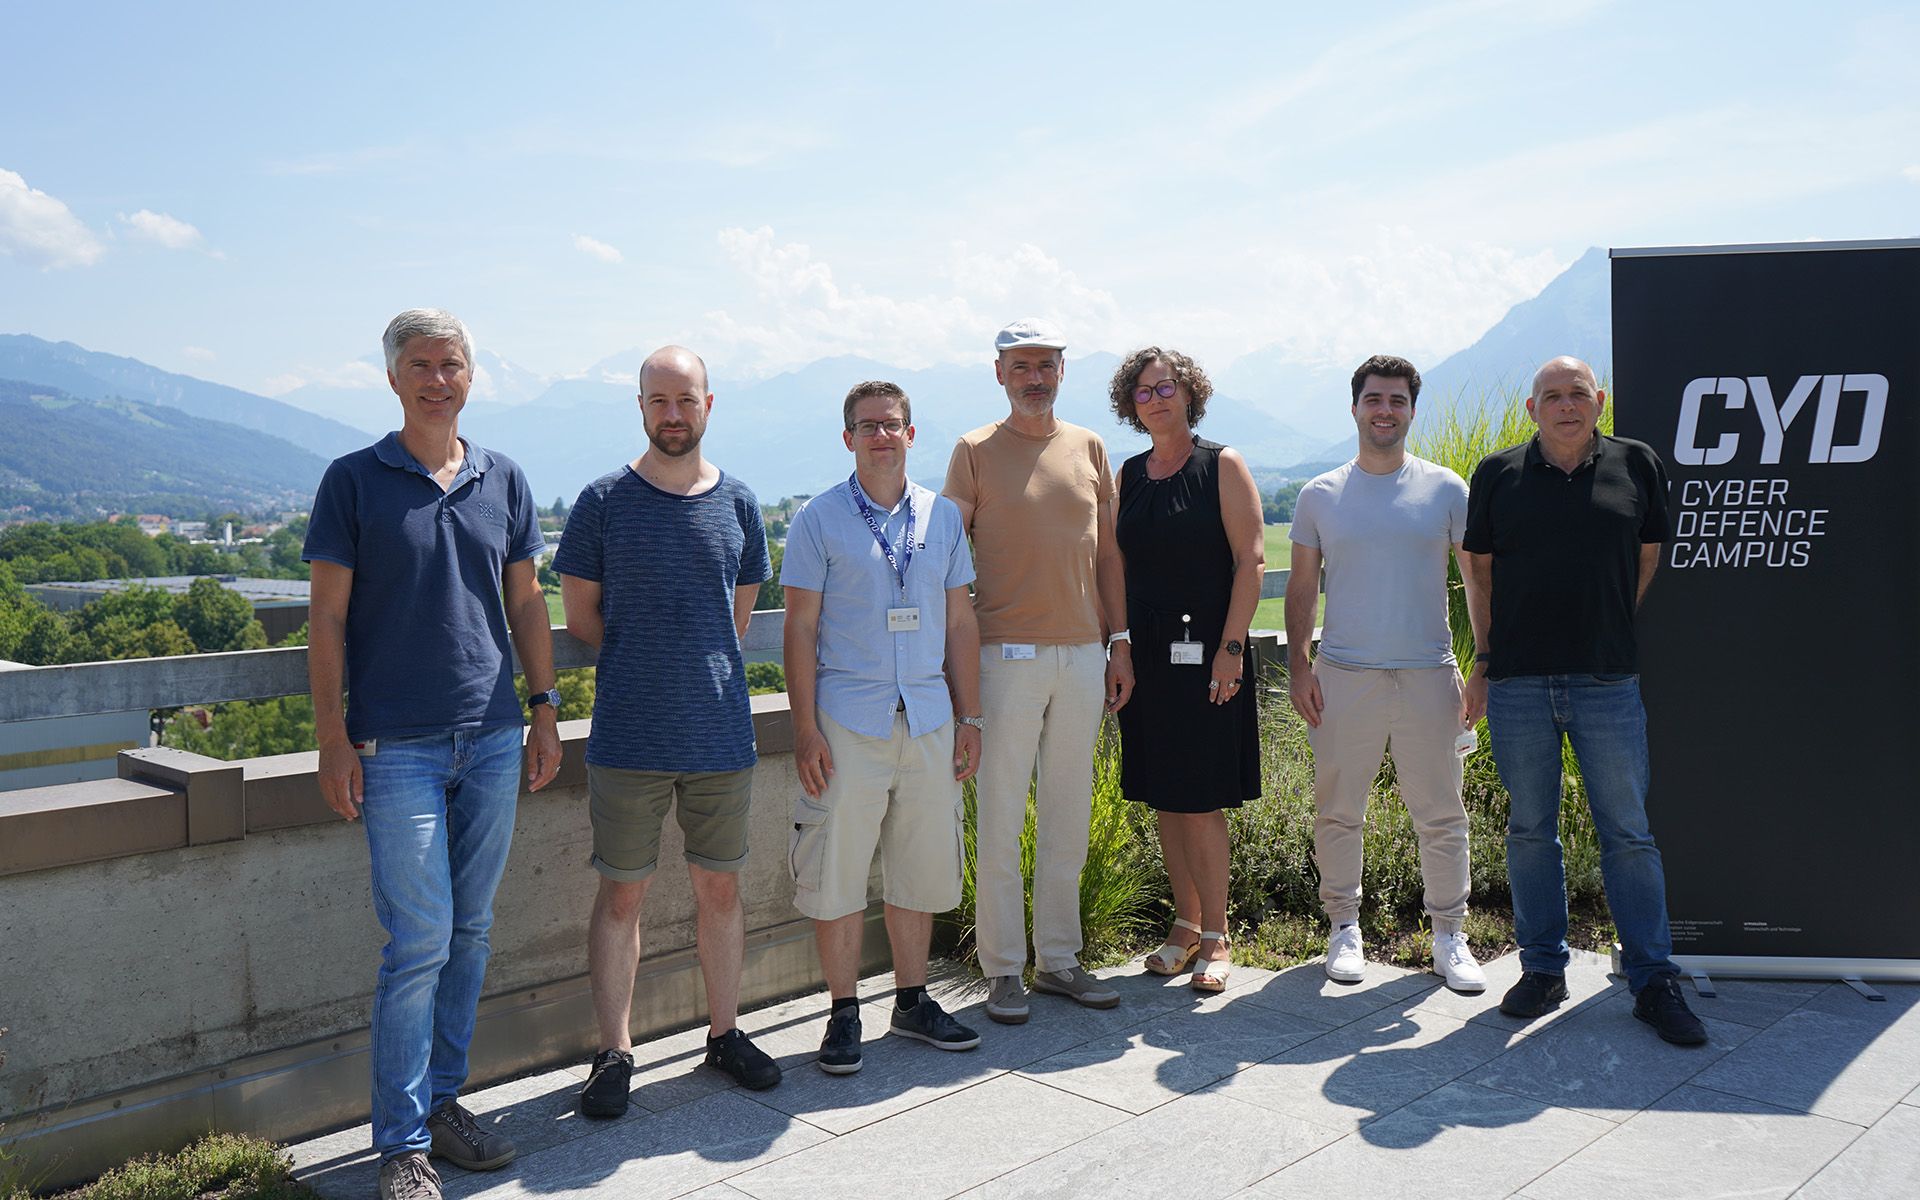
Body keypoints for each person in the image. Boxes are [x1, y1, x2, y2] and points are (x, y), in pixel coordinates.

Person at [305, 308, 562, 1200]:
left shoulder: (504, 477)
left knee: (473, 930)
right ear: (393, 378)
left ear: (469, 376)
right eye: (420, 364)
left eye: (450, 364)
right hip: (394, 748)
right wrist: (332, 738)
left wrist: (544, 709)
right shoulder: (353, 480)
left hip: (493, 734)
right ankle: (402, 1145)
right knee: (419, 939)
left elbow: (527, 604)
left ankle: (445, 1106)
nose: (437, 378)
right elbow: (327, 617)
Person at [555, 345, 781, 1119]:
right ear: (642, 407)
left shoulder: (741, 503)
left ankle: (724, 1034)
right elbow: (580, 619)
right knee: (622, 896)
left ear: (708, 405)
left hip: (719, 733)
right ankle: (614, 1051)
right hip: (628, 735)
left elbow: (739, 612)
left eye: (686, 399)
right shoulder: (602, 501)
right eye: (659, 400)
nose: (673, 414)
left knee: (721, 888)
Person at [1462, 355, 1707, 1045]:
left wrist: (1606, 625)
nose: (1565, 404)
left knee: (1627, 832)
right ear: (1531, 406)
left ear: (1597, 399)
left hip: (1607, 680)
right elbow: (1476, 570)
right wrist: (1484, 659)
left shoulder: (1637, 463)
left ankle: (1653, 981)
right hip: (1518, 682)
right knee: (1531, 829)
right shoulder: (1498, 473)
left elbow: (1649, 554)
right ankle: (1543, 969)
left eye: (1577, 394)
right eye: (1551, 396)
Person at [781, 380, 985, 1073]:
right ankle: (842, 1013)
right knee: (835, 869)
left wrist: (971, 716)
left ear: (910, 433)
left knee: (920, 867)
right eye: (867, 426)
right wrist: (804, 728)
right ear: (848, 439)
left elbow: (961, 622)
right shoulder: (818, 520)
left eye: (892, 424)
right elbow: (800, 629)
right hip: (847, 723)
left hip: (928, 717)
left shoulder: (944, 519)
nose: (880, 436)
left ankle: (911, 1000)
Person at [944, 318, 1130, 1023]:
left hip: (1084, 654)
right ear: (999, 373)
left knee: (1067, 812)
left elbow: (1108, 556)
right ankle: (1002, 971)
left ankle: (1058, 960)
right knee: (998, 815)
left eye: (1046, 364)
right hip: (1003, 657)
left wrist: (1121, 642)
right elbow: (947, 554)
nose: (1034, 377)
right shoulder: (974, 451)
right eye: (1021, 365)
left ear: (1061, 371)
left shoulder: (1089, 446)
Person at [1287, 355, 1488, 993]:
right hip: (1344, 675)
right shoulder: (1319, 494)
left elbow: (1479, 580)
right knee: (1340, 809)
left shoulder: (1448, 489)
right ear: (1355, 408)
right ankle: (1343, 928)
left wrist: (1484, 663)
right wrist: (1298, 665)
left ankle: (1449, 936)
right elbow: (1298, 588)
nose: (1384, 411)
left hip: (1431, 674)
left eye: (1397, 401)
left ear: (1410, 410)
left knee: (1441, 812)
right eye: (1374, 399)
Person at [1106, 348, 1264, 992]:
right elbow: (1113, 564)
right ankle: (1183, 927)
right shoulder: (1129, 473)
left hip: (1209, 653)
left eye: (1165, 387)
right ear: (1130, 405)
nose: (1156, 399)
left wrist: (1231, 649)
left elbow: (1250, 561)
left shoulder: (1221, 464)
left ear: (1189, 392)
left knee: (1199, 799)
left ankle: (1219, 935)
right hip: (1146, 654)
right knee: (1165, 795)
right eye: (1142, 392)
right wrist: (1118, 646)